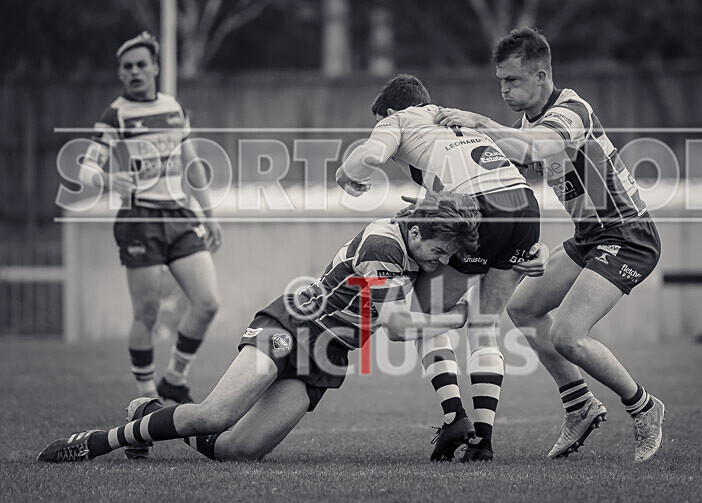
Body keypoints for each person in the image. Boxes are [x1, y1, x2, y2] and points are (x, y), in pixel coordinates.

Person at [37, 192, 482, 463]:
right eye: (440, 253)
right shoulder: (385, 242)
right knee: (214, 414)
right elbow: (398, 326)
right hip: (293, 325)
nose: (441, 264)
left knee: (238, 451)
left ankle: (150, 412)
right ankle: (98, 442)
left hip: (326, 356)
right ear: (420, 233)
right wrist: (458, 317)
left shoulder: (420, 240)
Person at [435, 27, 665, 462]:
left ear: (541, 77)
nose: (504, 89)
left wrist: (481, 124)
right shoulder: (526, 122)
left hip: (628, 236)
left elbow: (539, 145)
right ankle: (579, 404)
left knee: (567, 335)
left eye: (513, 80)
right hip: (589, 238)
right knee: (522, 308)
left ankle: (645, 408)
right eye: (500, 80)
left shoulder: (570, 111)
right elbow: (518, 177)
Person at [336, 75, 546, 462]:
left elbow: (369, 156)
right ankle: (482, 442)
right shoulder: (455, 119)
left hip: (478, 211)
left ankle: (455, 417)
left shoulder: (398, 119)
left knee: (424, 314)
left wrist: (347, 175)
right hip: (526, 210)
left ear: (392, 110)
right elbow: (508, 170)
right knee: (485, 325)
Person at [77, 32, 222, 413]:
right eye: (127, 67)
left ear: (155, 68)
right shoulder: (116, 115)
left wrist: (209, 215)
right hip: (139, 221)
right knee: (147, 313)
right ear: (120, 74)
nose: (135, 71)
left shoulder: (174, 107)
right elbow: (87, 168)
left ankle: (174, 380)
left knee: (207, 303)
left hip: (178, 215)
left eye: (142, 64)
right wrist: (109, 180)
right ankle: (145, 399)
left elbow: (192, 164)